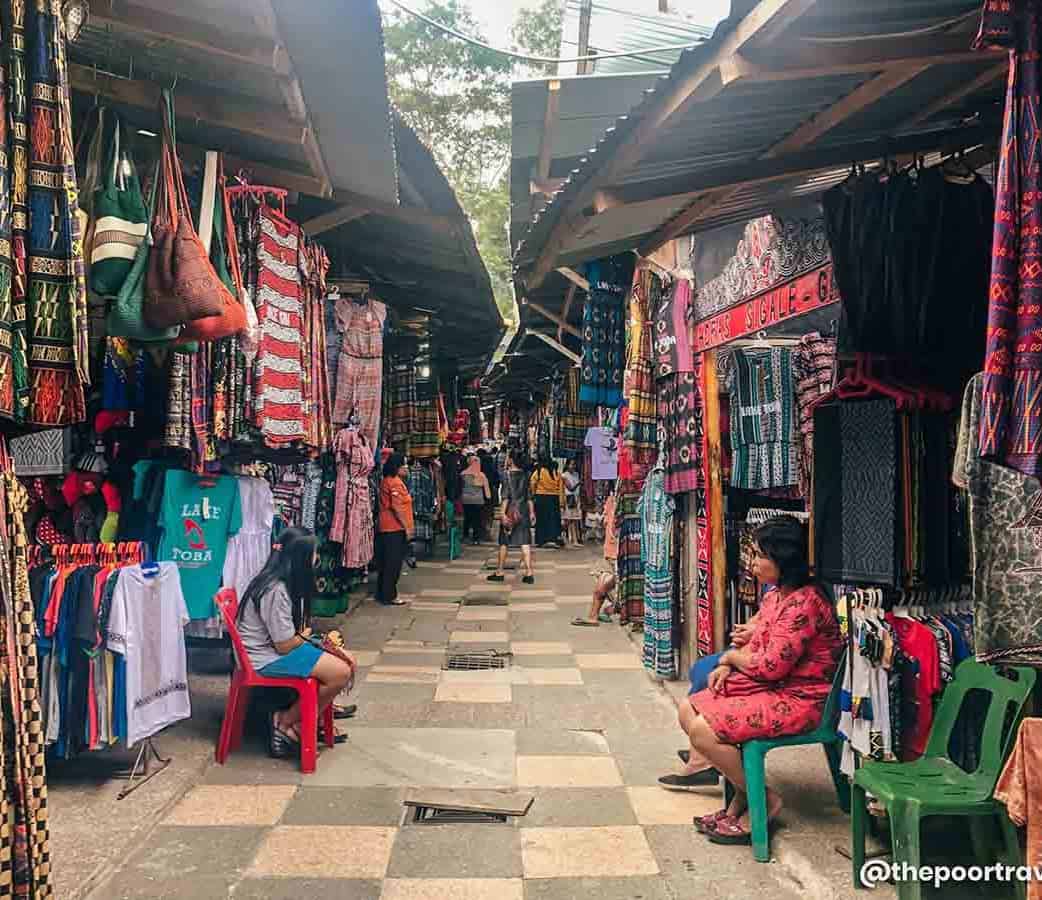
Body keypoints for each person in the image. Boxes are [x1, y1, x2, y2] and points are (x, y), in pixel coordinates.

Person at [659, 516, 842, 846]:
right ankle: (745, 796)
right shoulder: (776, 596)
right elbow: (758, 644)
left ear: (783, 560)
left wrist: (731, 659)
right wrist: (728, 665)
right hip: (774, 689)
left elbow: (770, 665)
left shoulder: (805, 604)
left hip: (804, 700)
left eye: (760, 555)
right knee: (688, 709)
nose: (752, 562)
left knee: (703, 730)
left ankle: (764, 801)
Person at [237, 526, 356, 758]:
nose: (317, 558)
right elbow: (283, 645)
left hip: (275, 650)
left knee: (346, 662)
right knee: (340, 673)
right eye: (313, 553)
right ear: (300, 558)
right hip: (265, 658)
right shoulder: (275, 589)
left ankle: (305, 723)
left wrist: (308, 638)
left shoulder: (281, 583)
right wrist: (308, 635)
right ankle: (285, 722)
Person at [488, 448, 535, 584]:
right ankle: (529, 573)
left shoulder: (506, 475)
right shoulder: (526, 475)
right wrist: (532, 512)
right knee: (525, 542)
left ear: (511, 460)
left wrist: (502, 513)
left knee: (504, 542)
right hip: (523, 511)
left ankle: (500, 571)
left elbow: (505, 497)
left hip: (510, 511)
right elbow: (529, 496)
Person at [375, 453, 413, 606]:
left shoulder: (388, 481)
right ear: (397, 467)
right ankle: (389, 595)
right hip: (394, 528)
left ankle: (383, 593)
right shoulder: (394, 483)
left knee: (386, 562)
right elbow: (397, 507)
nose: (406, 467)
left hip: (388, 527)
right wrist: (407, 528)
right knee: (393, 563)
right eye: (404, 465)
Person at [530, 455, 565, 548]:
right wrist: (562, 502)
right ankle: (553, 538)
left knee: (541, 519)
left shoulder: (538, 472)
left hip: (541, 498)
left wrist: (534, 494)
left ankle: (541, 540)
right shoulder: (556, 473)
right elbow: (561, 489)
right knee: (553, 519)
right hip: (554, 498)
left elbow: (532, 483)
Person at [460, 454, 491, 544]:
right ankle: (476, 538)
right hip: (478, 500)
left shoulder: (463, 474)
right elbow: (487, 490)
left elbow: (460, 487)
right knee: (477, 520)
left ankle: (465, 536)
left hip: (466, 500)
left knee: (467, 518)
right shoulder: (481, 475)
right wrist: (488, 499)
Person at [479, 448, 501, 541]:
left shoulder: (479, 469)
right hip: (490, 491)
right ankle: (488, 528)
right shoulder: (492, 469)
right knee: (489, 511)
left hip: (480, 492)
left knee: (481, 512)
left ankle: (482, 530)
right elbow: (497, 480)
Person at [561, 458, 583, 547]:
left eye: (574, 464)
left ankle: (574, 539)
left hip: (576, 498)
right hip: (570, 498)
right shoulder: (564, 475)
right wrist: (579, 483)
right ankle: (573, 539)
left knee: (575, 520)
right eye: (571, 464)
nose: (573, 466)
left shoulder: (576, 474)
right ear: (567, 465)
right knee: (571, 520)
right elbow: (570, 488)